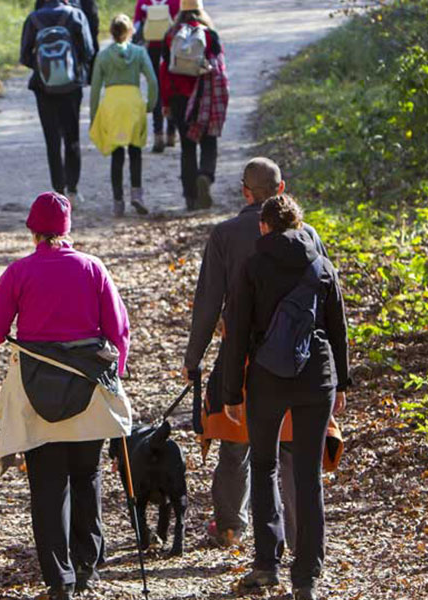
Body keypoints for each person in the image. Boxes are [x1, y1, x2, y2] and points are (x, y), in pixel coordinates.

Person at [0, 192, 132, 600]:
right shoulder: (92, 268)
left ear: (32, 231)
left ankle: (59, 579)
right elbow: (118, 331)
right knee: (87, 476)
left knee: (48, 485)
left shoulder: (18, 273)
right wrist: (114, 375)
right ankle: (88, 565)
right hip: (88, 390)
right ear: (68, 229)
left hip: (36, 391)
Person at [181, 158, 323, 549]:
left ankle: (229, 525)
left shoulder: (225, 235)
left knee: (237, 441)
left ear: (245, 191)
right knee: (291, 448)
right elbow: (324, 298)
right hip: (298, 356)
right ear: (282, 190)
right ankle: (297, 536)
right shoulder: (308, 234)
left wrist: (193, 359)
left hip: (242, 354)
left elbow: (208, 302)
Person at [221, 194, 351, 600]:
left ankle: (266, 563)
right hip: (317, 376)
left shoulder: (253, 267)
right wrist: (342, 383)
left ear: (263, 226)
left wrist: (230, 391)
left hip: (267, 377)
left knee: (263, 465)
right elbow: (337, 327)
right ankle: (306, 576)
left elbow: (237, 330)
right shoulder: (320, 264)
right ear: (298, 225)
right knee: (308, 476)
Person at [21, 0, 96, 206]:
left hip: (43, 88)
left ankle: (58, 190)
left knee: (52, 140)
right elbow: (88, 51)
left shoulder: (33, 19)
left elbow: (25, 57)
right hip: (72, 87)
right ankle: (73, 189)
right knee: (72, 137)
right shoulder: (76, 16)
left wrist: (45, 70)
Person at [159, 0, 227, 210]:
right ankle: (205, 176)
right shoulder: (209, 35)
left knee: (187, 148)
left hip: (180, 99)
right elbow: (219, 68)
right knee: (209, 141)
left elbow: (164, 70)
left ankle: (190, 198)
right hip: (204, 97)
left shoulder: (171, 35)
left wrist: (166, 101)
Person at [89, 14, 157, 217]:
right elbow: (152, 81)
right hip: (134, 103)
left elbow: (94, 89)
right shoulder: (139, 52)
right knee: (135, 151)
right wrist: (150, 105)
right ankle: (137, 193)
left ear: (111, 32)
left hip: (112, 104)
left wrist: (94, 116)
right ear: (130, 32)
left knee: (117, 154)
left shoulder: (103, 56)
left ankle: (118, 201)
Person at [132, 0, 181, 152]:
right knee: (171, 87)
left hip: (151, 48)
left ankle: (158, 133)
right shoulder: (175, 2)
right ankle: (171, 133)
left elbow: (136, 27)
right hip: (171, 48)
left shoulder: (143, 2)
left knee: (155, 87)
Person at [34, 0, 99, 80]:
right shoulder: (77, 12)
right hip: (73, 67)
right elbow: (91, 32)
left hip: (45, 69)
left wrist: (38, 65)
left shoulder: (35, 14)